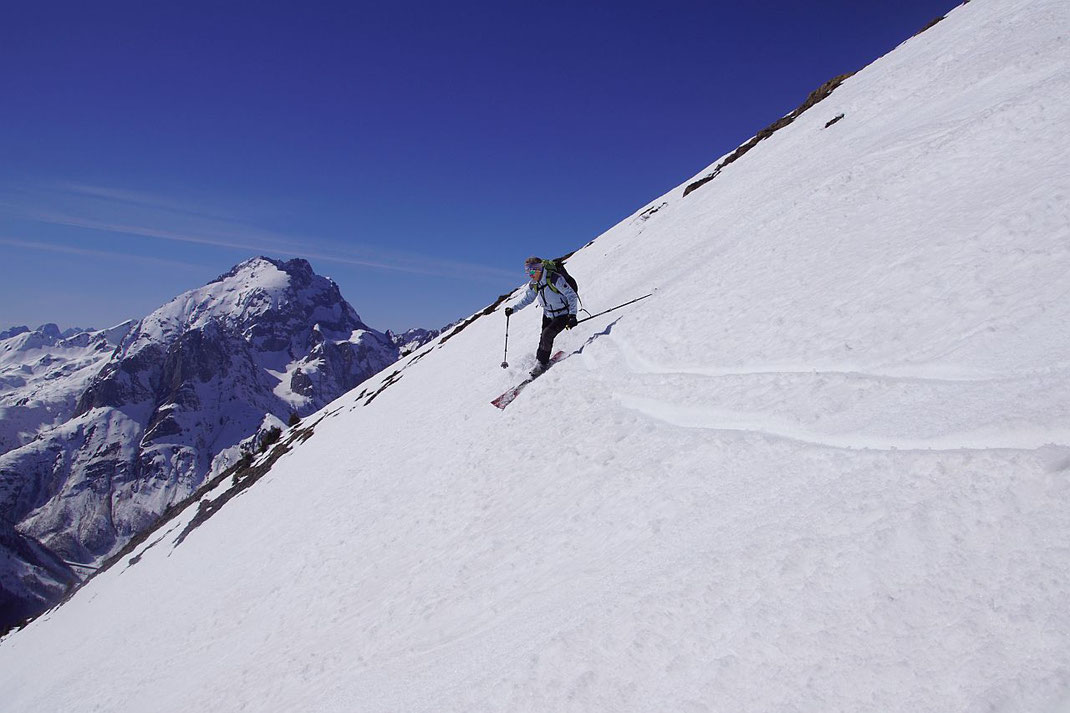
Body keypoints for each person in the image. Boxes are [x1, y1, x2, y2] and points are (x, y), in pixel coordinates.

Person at [504, 256, 579, 376]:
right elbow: (528, 299)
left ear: (540, 268)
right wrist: (513, 309)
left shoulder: (554, 278)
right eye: (527, 271)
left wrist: (572, 316)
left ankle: (542, 364)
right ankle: (540, 359)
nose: (530, 273)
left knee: (547, 335)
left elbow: (571, 295)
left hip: (563, 314)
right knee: (543, 338)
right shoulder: (535, 283)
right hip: (548, 314)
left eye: (533, 270)